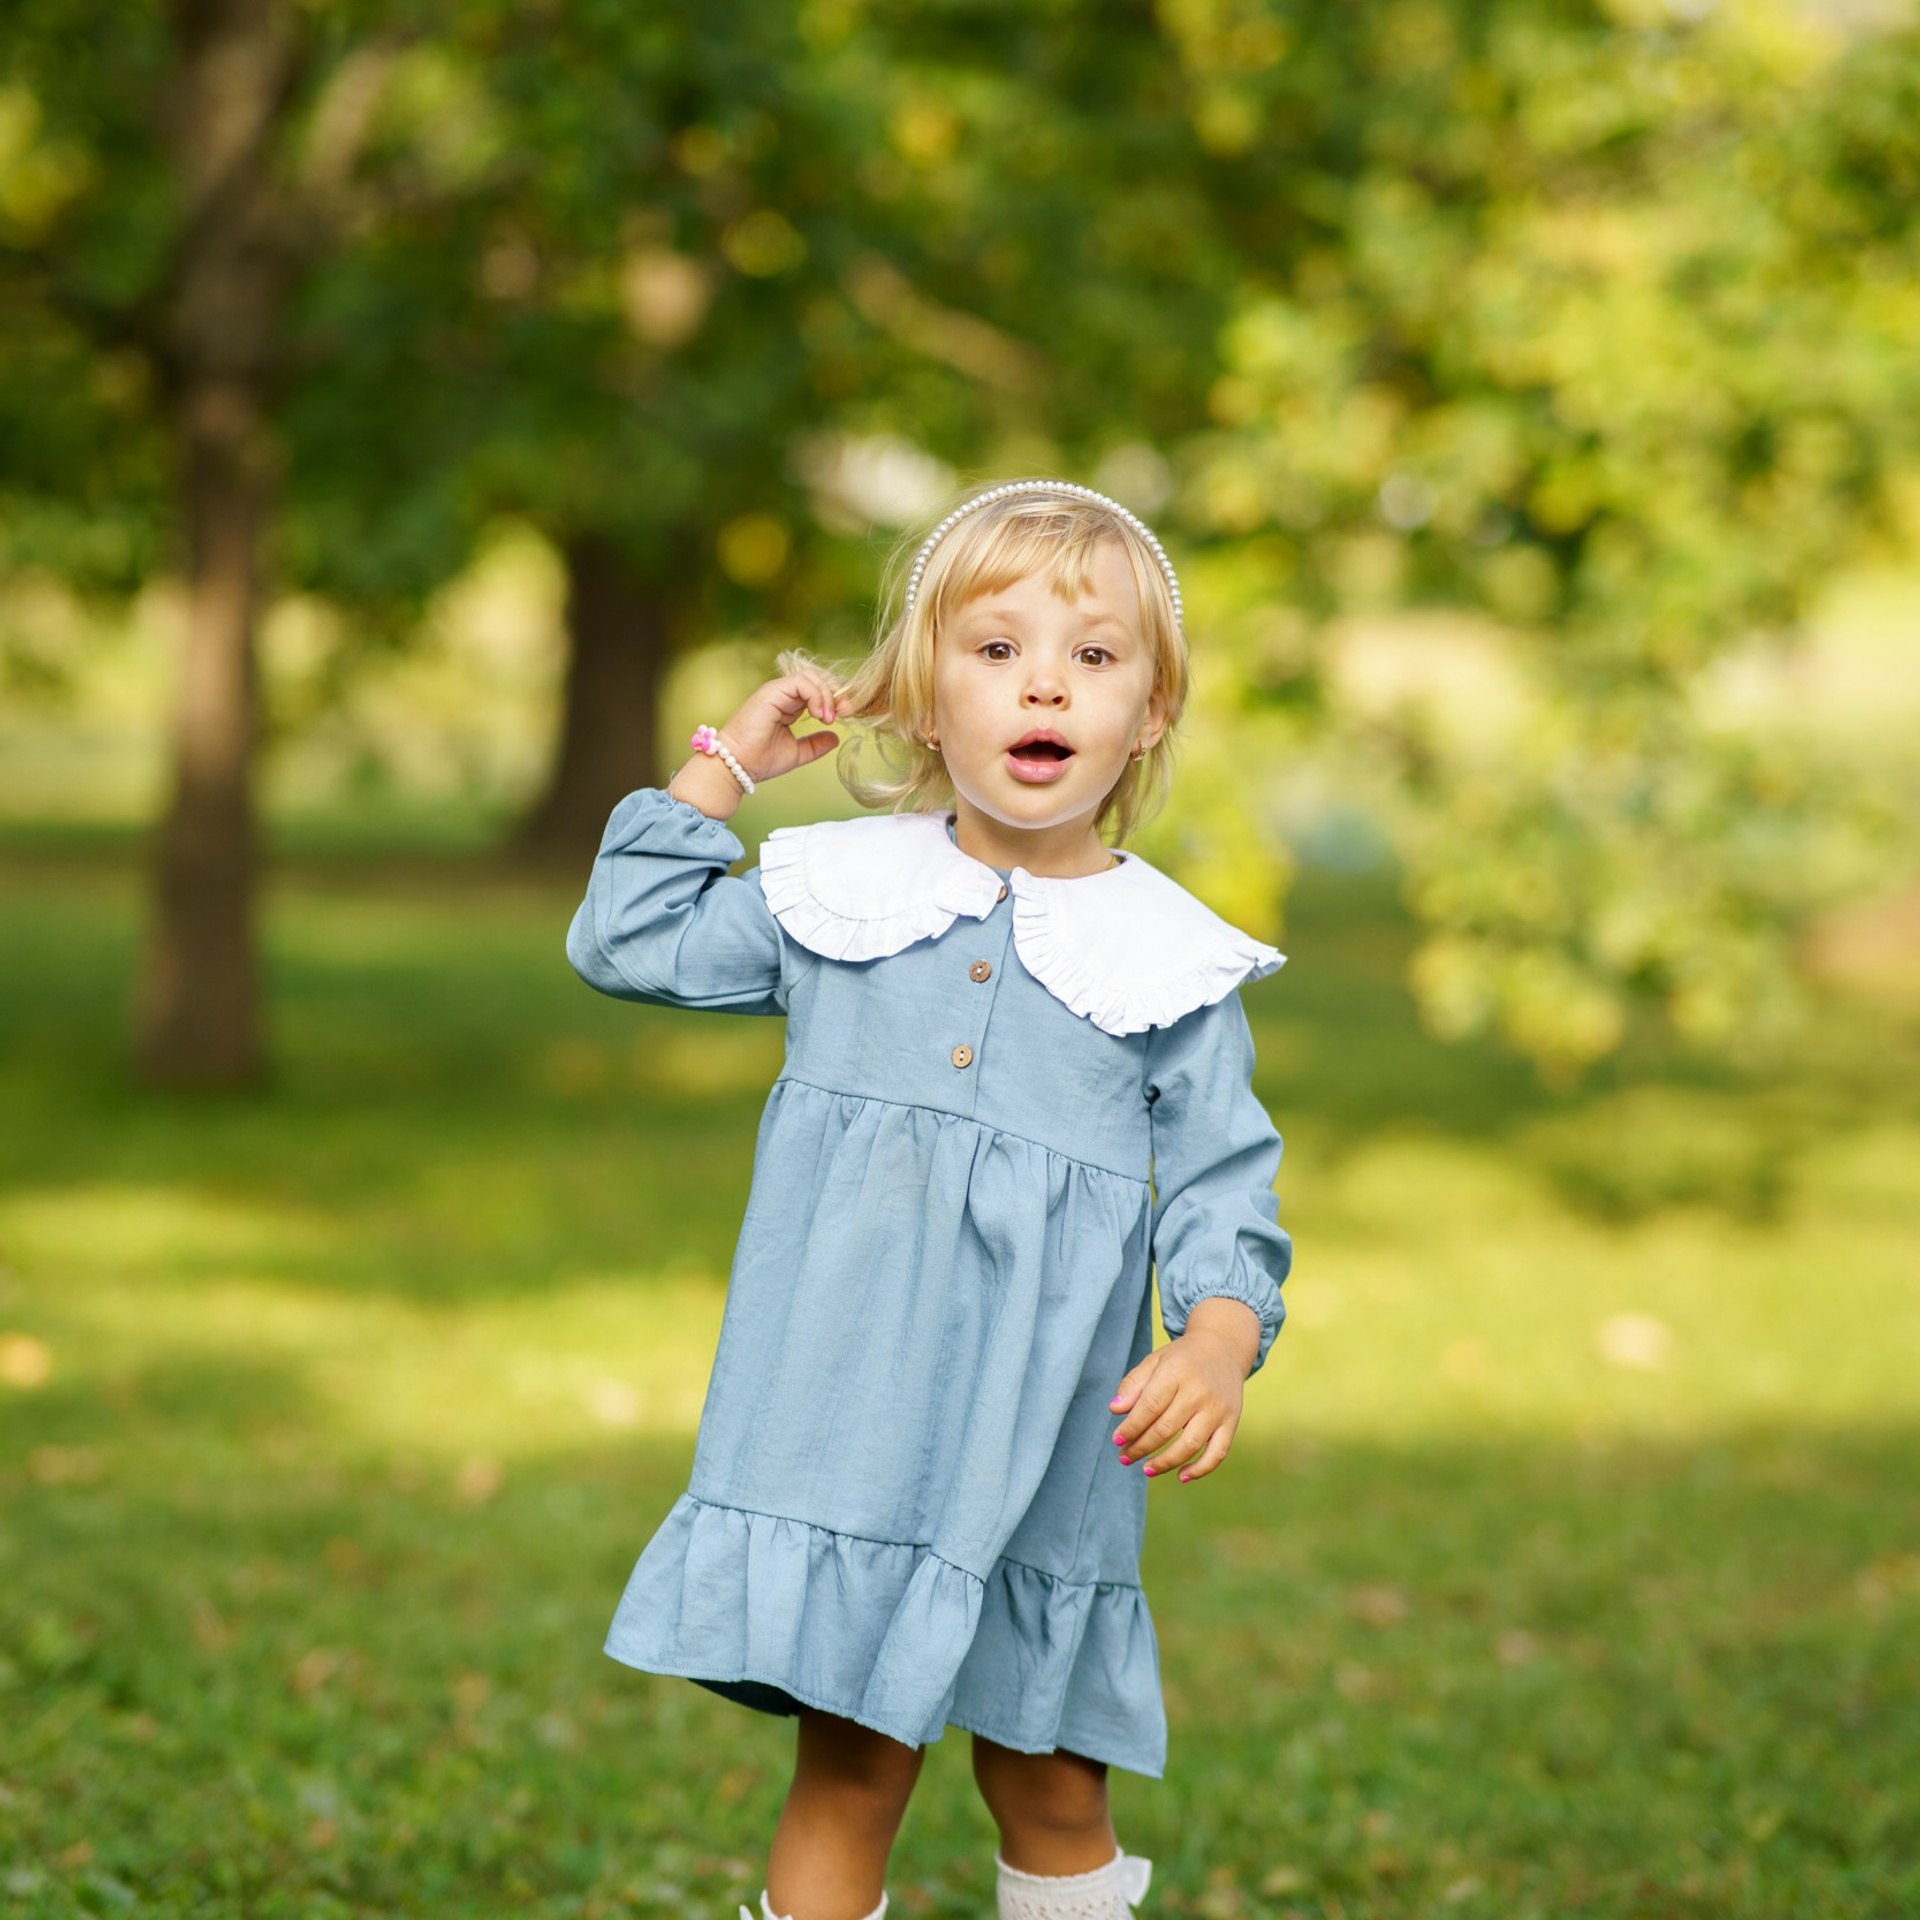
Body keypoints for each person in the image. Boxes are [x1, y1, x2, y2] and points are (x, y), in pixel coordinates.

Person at [565, 479, 1294, 1920]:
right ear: (918, 700)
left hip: (1049, 1437)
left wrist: (1215, 1339)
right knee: (856, 1760)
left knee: (1052, 1774)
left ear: (1149, 715)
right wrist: (725, 765)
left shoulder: (1167, 959)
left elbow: (1224, 1181)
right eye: (996, 649)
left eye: (1093, 659)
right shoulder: (844, 896)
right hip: (851, 1419)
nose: (1045, 683)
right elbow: (627, 938)